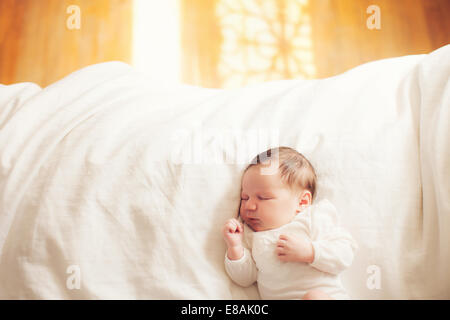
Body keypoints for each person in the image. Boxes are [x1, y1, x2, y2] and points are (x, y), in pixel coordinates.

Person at [223, 146, 358, 300]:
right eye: (245, 197)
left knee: (315, 297)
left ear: (302, 201)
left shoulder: (312, 219)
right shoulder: (250, 235)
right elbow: (245, 279)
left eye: (263, 198)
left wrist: (311, 252)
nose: (249, 206)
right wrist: (235, 248)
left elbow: (345, 254)